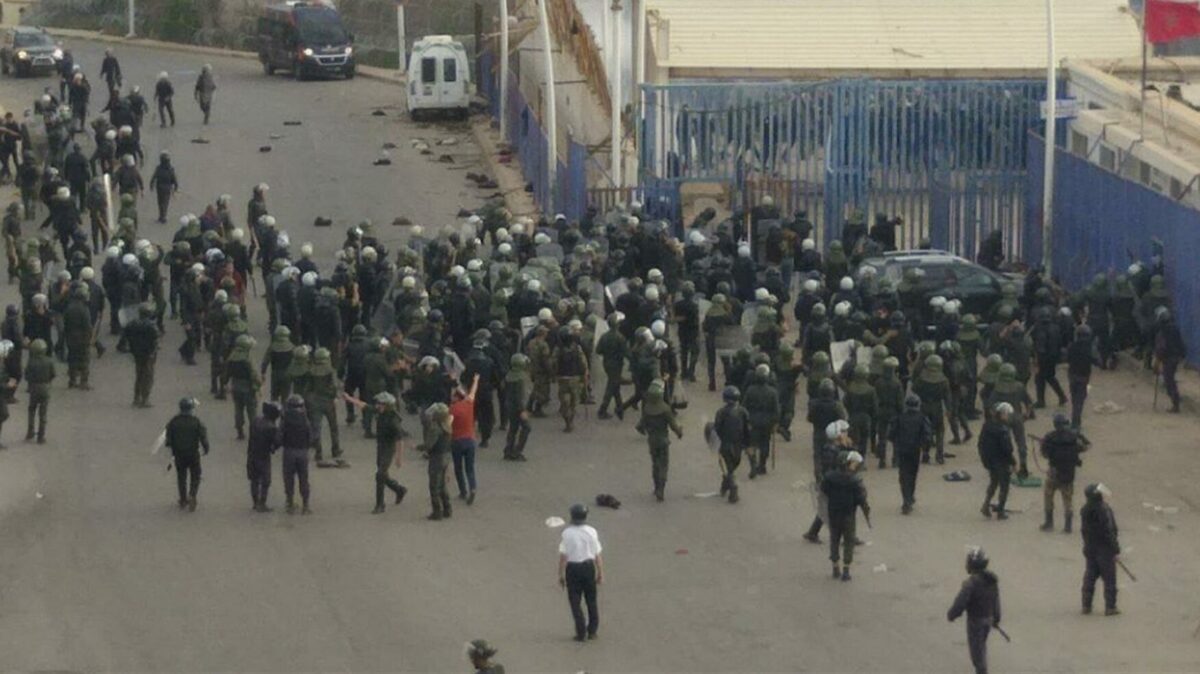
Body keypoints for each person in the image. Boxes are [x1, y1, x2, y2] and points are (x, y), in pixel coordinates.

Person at [947, 548, 1001, 674]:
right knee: (981, 646)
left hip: (975, 621)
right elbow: (996, 600)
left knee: (977, 652)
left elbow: (961, 602)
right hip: (988, 619)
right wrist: (997, 618)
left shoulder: (970, 583)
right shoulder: (991, 581)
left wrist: (952, 614)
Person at [558, 503, 603, 642]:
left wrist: (560, 574)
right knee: (591, 600)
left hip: (573, 569)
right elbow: (597, 555)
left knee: (575, 602)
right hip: (588, 568)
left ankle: (581, 632)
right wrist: (600, 572)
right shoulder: (591, 531)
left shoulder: (566, 533)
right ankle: (592, 631)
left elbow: (563, 556)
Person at [822, 450, 869, 581]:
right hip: (848, 514)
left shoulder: (830, 477)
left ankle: (835, 566)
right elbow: (861, 497)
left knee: (834, 539)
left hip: (833, 513)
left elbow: (823, 491)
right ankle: (846, 569)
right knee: (849, 541)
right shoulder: (854, 480)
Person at [636, 378, 683, 502]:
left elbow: (641, 425)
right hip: (663, 440)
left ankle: (656, 486)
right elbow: (673, 425)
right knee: (663, 465)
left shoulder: (647, 409)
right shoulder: (665, 409)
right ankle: (661, 489)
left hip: (652, 441)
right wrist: (679, 432)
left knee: (655, 464)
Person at [1080, 482, 1121, 616]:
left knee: (1090, 576)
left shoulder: (1085, 510)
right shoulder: (1104, 510)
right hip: (1104, 549)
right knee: (1109, 578)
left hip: (1090, 548)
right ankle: (1110, 607)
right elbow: (1109, 531)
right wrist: (1115, 549)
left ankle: (1086, 605)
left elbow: (1084, 531)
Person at [165, 397, 209, 511]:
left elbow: (168, 441)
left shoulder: (174, 422)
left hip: (179, 455)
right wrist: (206, 449)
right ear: (191, 409)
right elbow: (203, 438)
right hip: (193, 454)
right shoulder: (196, 422)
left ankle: (183, 499)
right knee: (196, 475)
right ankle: (192, 494)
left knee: (181, 477)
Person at [890, 393, 931, 514]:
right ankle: (910, 497)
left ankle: (906, 499)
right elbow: (927, 436)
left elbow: (891, 434)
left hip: (902, 450)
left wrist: (896, 444)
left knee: (903, 475)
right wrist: (925, 451)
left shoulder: (899, 417)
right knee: (912, 475)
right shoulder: (922, 418)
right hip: (915, 451)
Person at [979, 402, 1016, 520]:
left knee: (993, 482)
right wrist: (1013, 462)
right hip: (1002, 461)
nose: (1008, 416)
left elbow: (980, 444)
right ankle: (1000, 510)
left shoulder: (987, 426)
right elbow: (1007, 449)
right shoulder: (1003, 430)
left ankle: (986, 504)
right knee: (1004, 486)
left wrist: (985, 460)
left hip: (990, 461)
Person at [714, 385, 750, 504]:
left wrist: (715, 443)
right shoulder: (743, 411)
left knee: (727, 467)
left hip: (725, 444)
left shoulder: (721, 412)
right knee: (731, 467)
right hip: (738, 445)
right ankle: (725, 485)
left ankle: (733, 488)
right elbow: (747, 429)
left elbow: (717, 429)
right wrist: (747, 443)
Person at [280, 394, 313, 514]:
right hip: (302, 452)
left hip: (289, 452)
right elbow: (311, 437)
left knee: (289, 478)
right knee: (304, 479)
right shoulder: (305, 420)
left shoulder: (285, 419)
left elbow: (279, 436)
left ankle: (290, 502)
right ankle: (306, 505)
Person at [450, 375, 480, 504]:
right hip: (470, 440)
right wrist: (475, 380)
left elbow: (448, 423)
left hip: (457, 441)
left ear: (456, 397)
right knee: (470, 468)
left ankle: (463, 491)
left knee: (458, 468)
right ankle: (472, 488)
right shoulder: (469, 403)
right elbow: (473, 391)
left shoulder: (452, 409)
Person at [247, 402, 281, 512]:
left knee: (254, 479)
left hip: (252, 454)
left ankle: (255, 502)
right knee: (266, 480)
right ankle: (262, 502)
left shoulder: (255, 421)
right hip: (264, 456)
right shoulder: (271, 427)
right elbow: (276, 442)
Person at [1066, 324, 1100, 430]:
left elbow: (1067, 358)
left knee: (1074, 398)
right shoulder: (1090, 347)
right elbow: (1097, 362)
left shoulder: (1072, 346)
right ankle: (1075, 423)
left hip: (1072, 375)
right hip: (1083, 377)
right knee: (1079, 401)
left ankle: (1076, 421)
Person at [424, 402, 453, 520]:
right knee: (442, 485)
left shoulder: (435, 428)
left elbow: (429, 444)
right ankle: (447, 508)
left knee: (434, 486)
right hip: (445, 456)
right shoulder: (447, 426)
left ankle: (437, 512)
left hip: (436, 458)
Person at [1153, 309, 1185, 413]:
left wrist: (1157, 360)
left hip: (1168, 358)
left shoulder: (1162, 332)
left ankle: (1176, 403)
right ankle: (1176, 399)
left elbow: (1161, 348)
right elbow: (1181, 343)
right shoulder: (1175, 328)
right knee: (1170, 378)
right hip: (1176, 357)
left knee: (1168, 381)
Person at [23, 338, 54, 443]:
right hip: (45, 388)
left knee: (32, 409)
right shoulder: (49, 361)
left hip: (34, 388)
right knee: (43, 413)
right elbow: (53, 374)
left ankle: (30, 431)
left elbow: (26, 375)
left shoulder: (31, 362)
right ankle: (41, 436)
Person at [502, 353, 531, 461]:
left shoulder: (509, 375)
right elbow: (520, 396)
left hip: (509, 405)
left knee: (513, 428)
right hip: (518, 407)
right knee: (526, 428)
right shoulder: (520, 378)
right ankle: (517, 451)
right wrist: (523, 410)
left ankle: (508, 450)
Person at [149, 151, 178, 224]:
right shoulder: (171, 169)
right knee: (165, 203)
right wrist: (175, 187)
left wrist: (151, 185)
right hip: (167, 188)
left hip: (160, 188)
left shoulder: (159, 168)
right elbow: (174, 179)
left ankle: (162, 216)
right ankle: (163, 216)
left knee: (161, 202)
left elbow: (154, 177)